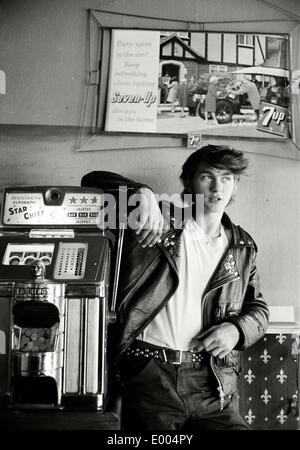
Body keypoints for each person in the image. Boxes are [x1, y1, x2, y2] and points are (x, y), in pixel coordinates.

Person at [81, 145, 269, 431]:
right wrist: (140, 193)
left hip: (213, 380)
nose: (217, 187)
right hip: (151, 375)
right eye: (208, 176)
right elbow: (92, 181)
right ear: (189, 182)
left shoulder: (242, 246)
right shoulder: (159, 222)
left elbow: (258, 310)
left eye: (227, 178)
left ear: (235, 186)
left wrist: (237, 330)